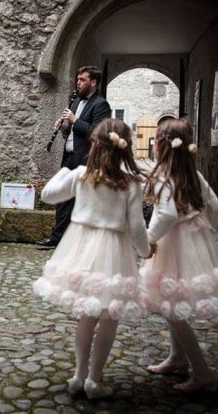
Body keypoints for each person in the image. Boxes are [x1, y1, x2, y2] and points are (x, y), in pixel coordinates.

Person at [33, 118, 151, 399]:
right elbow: (137, 227)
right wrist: (146, 251)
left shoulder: (81, 175)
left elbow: (48, 195)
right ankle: (94, 379)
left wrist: (63, 170)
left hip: (82, 249)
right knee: (109, 316)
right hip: (114, 251)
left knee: (87, 316)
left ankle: (79, 375)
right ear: (125, 148)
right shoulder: (130, 183)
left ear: (95, 145)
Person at [141, 118, 218, 392]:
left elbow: (166, 215)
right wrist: (203, 233)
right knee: (172, 302)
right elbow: (216, 207)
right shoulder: (193, 174)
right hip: (190, 242)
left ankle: (203, 373)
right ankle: (177, 358)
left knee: (172, 307)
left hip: (172, 245)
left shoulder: (165, 176)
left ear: (162, 147)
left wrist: (148, 240)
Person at [37, 66, 111, 248]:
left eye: (82, 80)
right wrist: (64, 128)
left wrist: (75, 120)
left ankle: (82, 241)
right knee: (63, 197)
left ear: (93, 82)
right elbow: (72, 132)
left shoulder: (101, 104)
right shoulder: (76, 100)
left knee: (83, 199)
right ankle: (57, 238)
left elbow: (97, 133)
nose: (78, 83)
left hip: (86, 159)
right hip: (69, 156)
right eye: (77, 79)